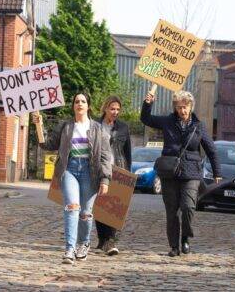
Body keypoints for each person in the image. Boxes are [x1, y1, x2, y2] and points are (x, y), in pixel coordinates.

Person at [32, 92, 112, 265]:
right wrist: (39, 127)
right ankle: (69, 248)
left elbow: (106, 156)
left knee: (85, 213)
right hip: (69, 169)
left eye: (83, 101)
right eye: (77, 101)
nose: (80, 104)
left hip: (90, 172)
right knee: (72, 207)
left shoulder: (99, 129)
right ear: (73, 106)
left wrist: (105, 179)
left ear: (88, 106)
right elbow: (48, 144)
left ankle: (83, 243)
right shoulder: (66, 126)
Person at [141, 90, 222, 257]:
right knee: (172, 211)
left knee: (188, 207)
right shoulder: (168, 122)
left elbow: (211, 150)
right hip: (169, 172)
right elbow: (146, 119)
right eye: (179, 107)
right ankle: (174, 246)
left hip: (191, 172)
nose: (182, 111)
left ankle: (185, 237)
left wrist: (217, 172)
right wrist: (148, 103)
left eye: (185, 107)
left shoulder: (199, 126)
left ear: (191, 107)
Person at [95, 96, 132, 256]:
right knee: (100, 205)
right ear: (105, 109)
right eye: (112, 109)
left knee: (114, 207)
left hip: (118, 168)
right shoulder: (95, 125)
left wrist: (128, 173)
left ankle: (111, 240)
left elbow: (127, 152)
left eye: (118, 109)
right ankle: (102, 239)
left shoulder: (123, 127)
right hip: (99, 169)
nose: (115, 112)